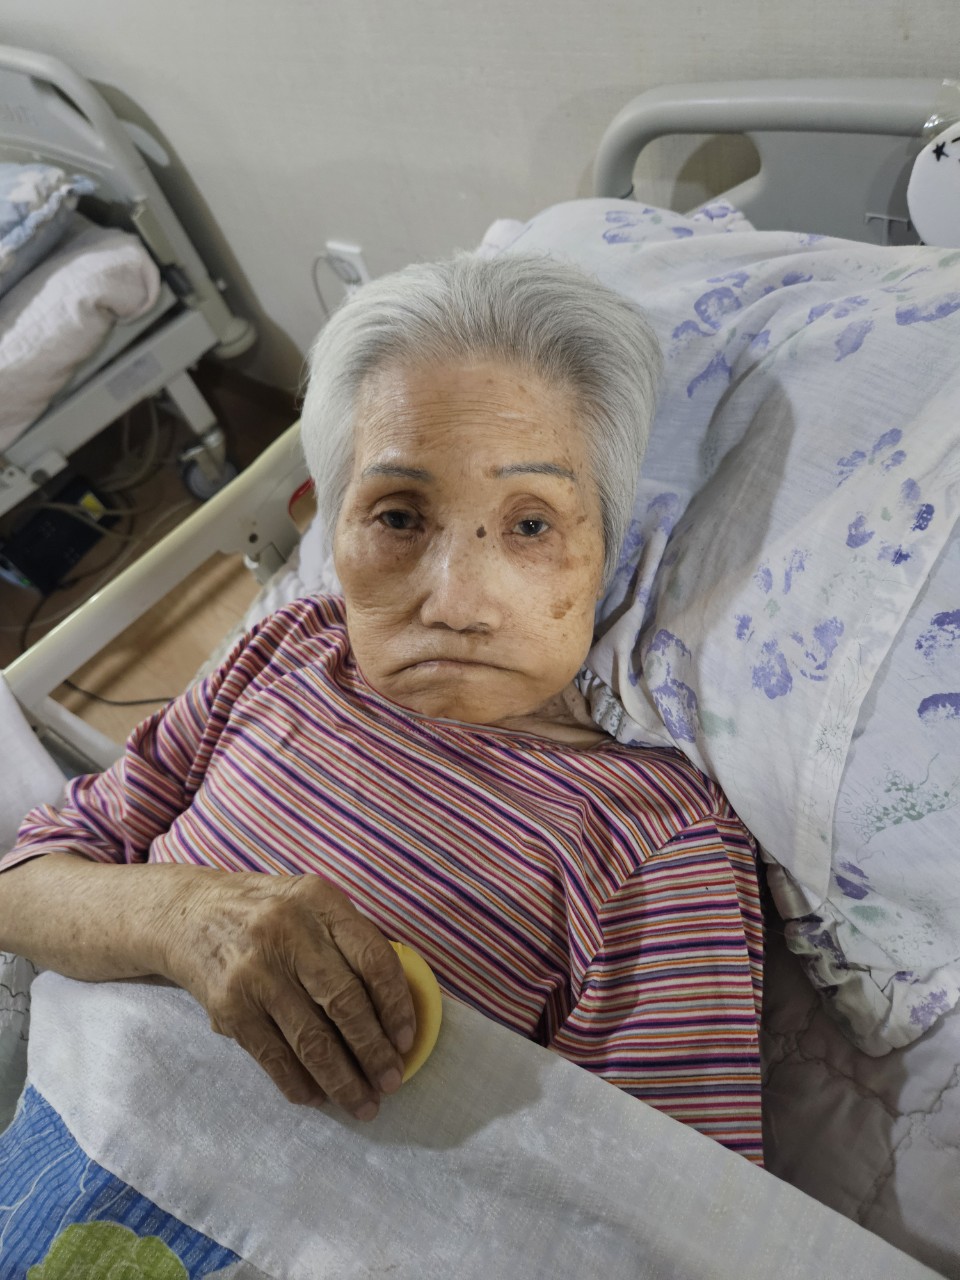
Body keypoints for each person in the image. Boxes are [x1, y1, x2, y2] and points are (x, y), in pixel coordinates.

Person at [0, 253, 764, 1162]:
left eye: (531, 524)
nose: (457, 601)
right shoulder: (286, 653)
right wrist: (181, 916)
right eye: (399, 517)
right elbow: (23, 883)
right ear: (334, 530)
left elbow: (660, 1203)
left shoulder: (650, 843)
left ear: (605, 547)